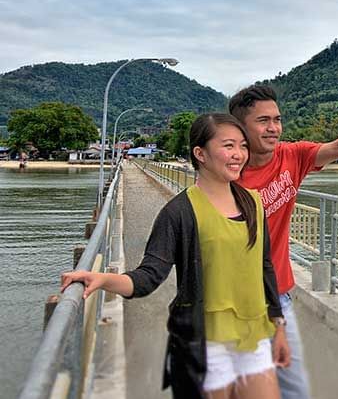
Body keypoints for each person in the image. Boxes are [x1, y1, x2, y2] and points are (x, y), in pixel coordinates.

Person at [61, 113, 290, 399]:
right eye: (228, 146)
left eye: (243, 146)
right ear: (200, 153)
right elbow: (148, 277)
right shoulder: (178, 212)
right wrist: (101, 278)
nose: (239, 155)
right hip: (206, 342)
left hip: (254, 335)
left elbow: (265, 268)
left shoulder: (253, 202)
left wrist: (279, 325)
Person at [229, 84, 338, 398]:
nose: (273, 128)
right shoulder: (226, 174)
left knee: (294, 391)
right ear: (240, 128)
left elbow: (337, 149)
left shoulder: (292, 155)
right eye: (263, 121)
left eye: (277, 119)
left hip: (279, 297)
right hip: (234, 304)